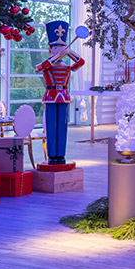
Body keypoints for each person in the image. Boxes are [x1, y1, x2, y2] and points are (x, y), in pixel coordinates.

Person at [35, 20, 85, 165]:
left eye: (62, 47)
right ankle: (52, 156)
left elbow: (80, 63)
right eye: (56, 48)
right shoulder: (47, 65)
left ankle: (61, 155)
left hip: (64, 96)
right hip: (50, 97)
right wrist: (58, 55)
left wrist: (69, 52)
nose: (60, 50)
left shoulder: (68, 67)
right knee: (51, 126)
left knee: (62, 127)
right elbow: (40, 67)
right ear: (50, 49)